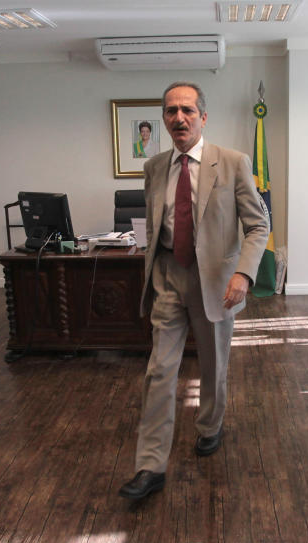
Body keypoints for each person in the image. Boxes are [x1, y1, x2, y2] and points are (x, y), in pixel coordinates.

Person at [118, 82, 270, 500]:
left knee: (213, 366)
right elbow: (156, 223)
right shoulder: (154, 168)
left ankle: (209, 425)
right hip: (168, 274)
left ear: (203, 116)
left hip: (216, 283)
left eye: (187, 110)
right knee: (159, 371)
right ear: (164, 119)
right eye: (170, 111)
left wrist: (243, 274)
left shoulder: (234, 163)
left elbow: (258, 225)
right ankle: (150, 465)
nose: (178, 118)